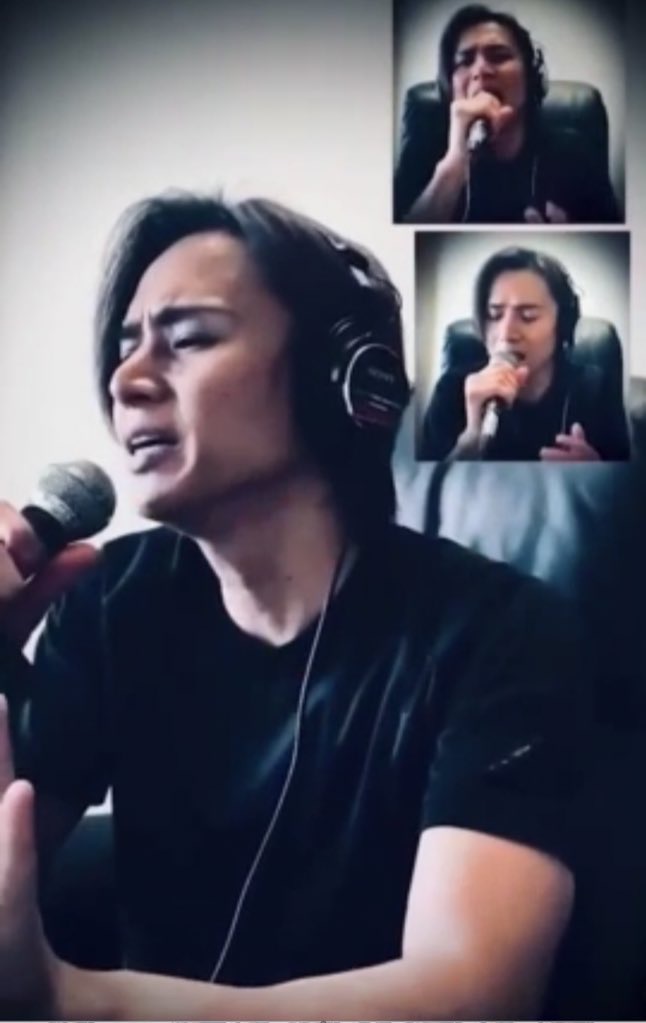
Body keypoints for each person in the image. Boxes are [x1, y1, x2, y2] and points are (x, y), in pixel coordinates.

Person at [0, 193, 590, 1021]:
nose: (125, 380)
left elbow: (473, 994)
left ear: (346, 381)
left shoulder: (500, 633)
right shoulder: (105, 600)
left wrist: (74, 1001)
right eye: (125, 347)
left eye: (188, 339)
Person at [394, 4, 621, 224]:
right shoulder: (425, 145)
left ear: (529, 75)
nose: (480, 70)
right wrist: (453, 165)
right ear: (450, 87)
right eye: (465, 61)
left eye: (499, 56)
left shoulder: (575, 152)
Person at [420, 246, 632, 462]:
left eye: (528, 316)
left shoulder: (595, 388)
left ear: (563, 323)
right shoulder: (452, 388)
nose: (506, 334)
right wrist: (469, 443)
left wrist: (594, 468)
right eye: (494, 315)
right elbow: (422, 481)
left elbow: (627, 477)